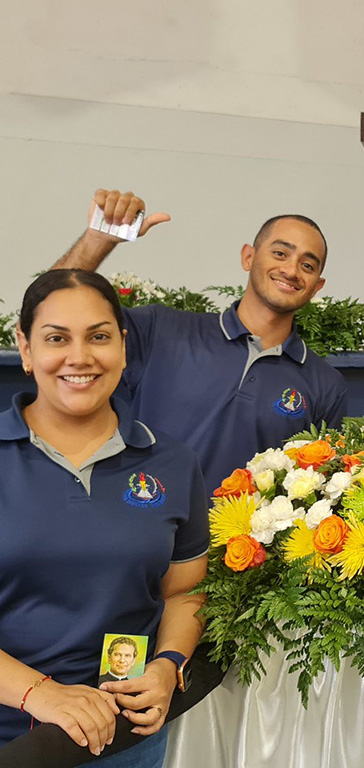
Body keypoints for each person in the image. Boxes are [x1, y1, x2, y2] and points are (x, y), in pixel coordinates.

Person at [0, 270, 209, 765]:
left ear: (123, 347)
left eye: (98, 336)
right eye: (56, 339)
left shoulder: (173, 463)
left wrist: (166, 664)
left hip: (125, 737)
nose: (80, 357)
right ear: (25, 349)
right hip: (15, 740)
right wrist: (41, 694)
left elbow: (184, 590)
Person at [55, 190, 349, 496]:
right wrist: (99, 240)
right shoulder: (161, 330)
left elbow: (318, 491)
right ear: (248, 257)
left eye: (308, 265)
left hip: (242, 542)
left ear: (317, 287)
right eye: (280, 253)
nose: (291, 270)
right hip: (141, 534)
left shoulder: (325, 384)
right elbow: (51, 311)